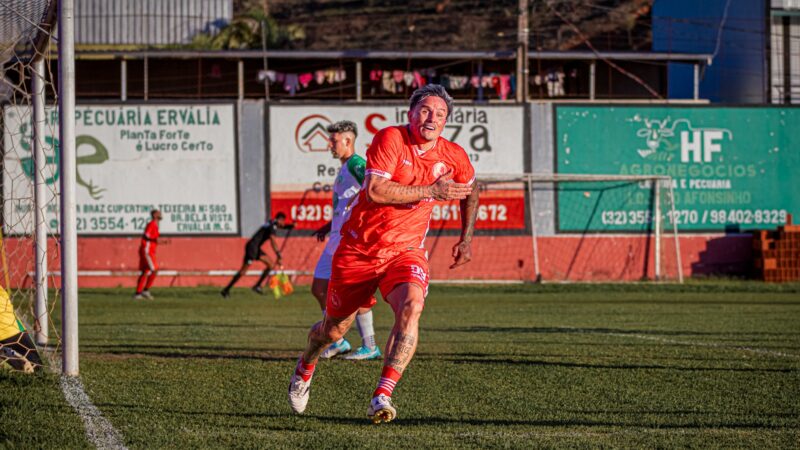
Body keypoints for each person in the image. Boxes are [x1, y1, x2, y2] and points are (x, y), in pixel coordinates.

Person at [288, 85, 479, 423]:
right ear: (410, 113)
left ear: (447, 121)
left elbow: (471, 189)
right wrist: (431, 191)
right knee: (332, 331)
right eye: (424, 110)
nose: (431, 118)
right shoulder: (390, 138)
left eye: (439, 114)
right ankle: (306, 365)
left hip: (405, 253)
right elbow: (375, 191)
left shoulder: (453, 155)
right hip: (359, 250)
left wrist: (466, 239)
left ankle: (382, 394)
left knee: (412, 305)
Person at [312, 120, 380, 361]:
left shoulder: (357, 164)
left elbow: (375, 189)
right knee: (319, 288)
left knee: (356, 294)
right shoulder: (343, 168)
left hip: (350, 242)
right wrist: (330, 225)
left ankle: (370, 345)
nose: (330, 144)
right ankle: (338, 341)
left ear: (348, 141)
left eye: (333, 140)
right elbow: (346, 204)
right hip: (335, 240)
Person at [221, 212, 292, 298]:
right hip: (252, 248)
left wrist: (290, 226)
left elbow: (281, 226)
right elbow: (273, 241)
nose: (283, 224)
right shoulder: (272, 227)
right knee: (243, 271)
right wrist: (278, 253)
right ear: (280, 220)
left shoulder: (271, 223)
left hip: (255, 247)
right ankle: (226, 290)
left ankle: (257, 286)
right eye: (283, 222)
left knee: (270, 264)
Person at [0, 287, 43, 373]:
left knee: (34, 369)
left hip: (9, 325)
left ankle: (5, 352)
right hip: (9, 327)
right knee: (36, 370)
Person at [134, 209, 162, 300]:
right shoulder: (152, 224)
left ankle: (138, 293)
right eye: (158, 213)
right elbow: (147, 235)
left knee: (145, 271)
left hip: (150, 250)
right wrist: (156, 239)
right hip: (147, 251)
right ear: (154, 215)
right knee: (154, 270)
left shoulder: (156, 225)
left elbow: (152, 238)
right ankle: (145, 290)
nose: (161, 214)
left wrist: (160, 241)